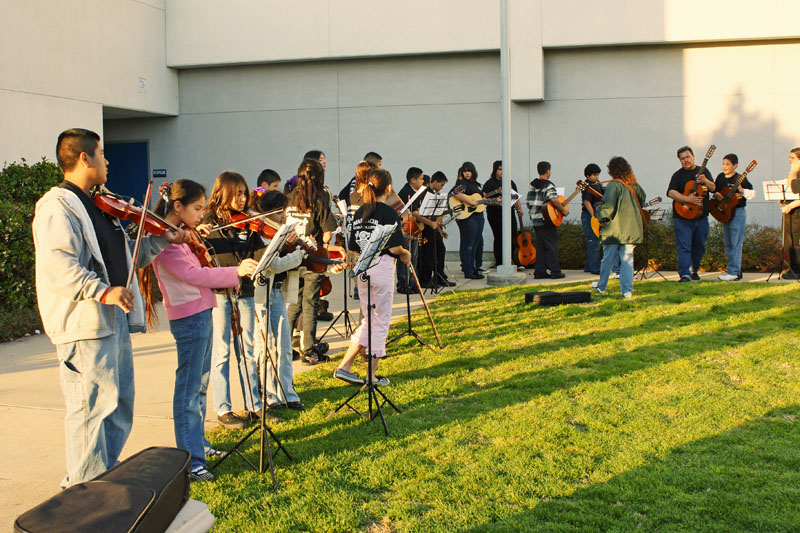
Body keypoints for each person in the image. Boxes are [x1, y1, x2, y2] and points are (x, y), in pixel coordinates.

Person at [33, 128, 189, 487]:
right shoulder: (57, 207)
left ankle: (103, 477)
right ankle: (87, 493)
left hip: (111, 320)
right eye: (102, 153)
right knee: (92, 411)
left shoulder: (98, 204)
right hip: (86, 324)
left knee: (117, 406)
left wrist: (160, 240)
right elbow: (60, 266)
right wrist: (103, 292)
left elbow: (126, 259)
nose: (108, 160)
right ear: (84, 158)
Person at [143, 179, 257, 481]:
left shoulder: (182, 237)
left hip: (201, 313)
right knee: (189, 390)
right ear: (177, 207)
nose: (200, 215)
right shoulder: (166, 241)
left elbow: (196, 262)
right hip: (189, 319)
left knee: (200, 385)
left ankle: (200, 447)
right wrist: (236, 271)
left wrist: (193, 237)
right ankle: (191, 460)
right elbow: (194, 274)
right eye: (197, 209)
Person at [334, 168, 412, 386]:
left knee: (369, 320)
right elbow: (396, 247)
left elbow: (354, 245)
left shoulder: (359, 213)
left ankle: (345, 366)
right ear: (388, 188)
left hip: (363, 269)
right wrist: (407, 254)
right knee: (380, 322)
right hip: (382, 267)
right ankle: (371, 376)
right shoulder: (388, 212)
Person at [202, 171, 267, 429]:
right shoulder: (208, 222)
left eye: (244, 193)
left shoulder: (248, 222)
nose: (242, 199)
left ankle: (254, 404)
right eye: (237, 193)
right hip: (220, 293)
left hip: (245, 291)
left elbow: (259, 253)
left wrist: (274, 242)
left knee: (248, 350)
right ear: (224, 192)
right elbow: (206, 255)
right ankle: (223, 409)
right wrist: (200, 233)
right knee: (222, 351)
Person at [249, 189, 308, 410]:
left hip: (276, 294)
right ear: (266, 213)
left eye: (284, 213)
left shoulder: (279, 233)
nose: (283, 218)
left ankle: (287, 391)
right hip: (261, 294)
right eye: (279, 214)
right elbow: (274, 264)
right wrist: (300, 255)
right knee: (264, 346)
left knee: (283, 343)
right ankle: (269, 393)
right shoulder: (258, 235)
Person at [285, 158, 338, 363]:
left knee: (294, 303)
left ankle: (286, 345)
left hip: (291, 255)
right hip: (312, 257)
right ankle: (308, 348)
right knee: (310, 303)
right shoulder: (318, 199)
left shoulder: (291, 197)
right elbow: (326, 235)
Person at [591, 157, 646, 298]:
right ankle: (627, 291)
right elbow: (643, 199)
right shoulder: (635, 185)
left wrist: (598, 209)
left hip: (614, 231)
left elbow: (607, 209)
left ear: (612, 170)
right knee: (628, 260)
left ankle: (602, 287)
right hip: (630, 229)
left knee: (607, 259)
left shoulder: (614, 185)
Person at [667, 146, 715, 282]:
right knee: (684, 246)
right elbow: (671, 192)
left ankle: (695, 270)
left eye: (687, 157)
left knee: (699, 245)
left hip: (701, 217)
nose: (685, 160)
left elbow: (713, 188)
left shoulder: (703, 171)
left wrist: (705, 180)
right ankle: (685, 274)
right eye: (682, 159)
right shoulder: (678, 175)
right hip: (682, 217)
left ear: (693, 156)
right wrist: (687, 199)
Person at [714, 154, 754, 281]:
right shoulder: (720, 177)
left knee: (736, 243)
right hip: (725, 213)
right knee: (728, 244)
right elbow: (716, 192)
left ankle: (734, 272)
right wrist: (717, 196)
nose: (724, 166)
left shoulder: (740, 178)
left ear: (735, 165)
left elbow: (752, 193)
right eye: (723, 164)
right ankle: (735, 270)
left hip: (737, 213)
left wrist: (742, 191)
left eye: (728, 164)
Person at [526, 161, 568, 279]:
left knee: (541, 246)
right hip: (546, 220)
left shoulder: (533, 185)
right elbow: (554, 199)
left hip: (535, 219)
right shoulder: (549, 185)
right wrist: (563, 210)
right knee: (551, 245)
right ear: (548, 171)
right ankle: (555, 271)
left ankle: (540, 271)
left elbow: (528, 201)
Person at [417, 171, 456, 288]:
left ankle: (439, 276)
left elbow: (435, 215)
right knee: (428, 254)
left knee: (440, 250)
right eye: (441, 185)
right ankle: (425, 279)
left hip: (434, 226)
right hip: (426, 227)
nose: (441, 187)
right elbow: (422, 212)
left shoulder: (434, 194)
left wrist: (440, 230)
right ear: (434, 182)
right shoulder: (425, 193)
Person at [483, 160, 523, 267]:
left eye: (504, 169)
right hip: (495, 214)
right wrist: (496, 200)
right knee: (499, 237)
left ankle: (514, 260)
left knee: (513, 236)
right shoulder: (489, 183)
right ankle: (500, 261)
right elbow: (484, 199)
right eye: (500, 169)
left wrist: (520, 209)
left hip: (509, 213)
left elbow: (516, 196)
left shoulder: (510, 182)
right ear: (495, 170)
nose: (502, 172)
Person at [450, 161, 486, 279]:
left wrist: (496, 200)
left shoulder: (477, 184)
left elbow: (480, 200)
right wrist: (470, 201)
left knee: (476, 242)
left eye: (469, 171)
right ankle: (468, 270)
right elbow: (455, 192)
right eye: (465, 171)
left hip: (478, 215)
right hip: (468, 217)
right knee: (468, 243)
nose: (467, 173)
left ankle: (474, 268)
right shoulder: (463, 184)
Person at [395, 166, 425, 293]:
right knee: (405, 258)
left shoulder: (417, 192)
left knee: (414, 257)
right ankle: (403, 284)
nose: (423, 181)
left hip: (413, 228)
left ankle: (413, 283)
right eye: (421, 179)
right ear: (413, 180)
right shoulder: (406, 192)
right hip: (406, 229)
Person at [780, 147, 800, 279]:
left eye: (792, 158)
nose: (790, 160)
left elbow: (793, 186)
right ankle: (793, 268)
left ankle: (797, 270)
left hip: (797, 212)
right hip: (791, 212)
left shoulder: (796, 173)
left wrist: (793, 170)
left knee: (796, 242)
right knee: (790, 242)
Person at [580, 163, 604, 274]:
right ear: (587, 176)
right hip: (589, 216)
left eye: (598, 175)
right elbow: (586, 201)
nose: (597, 177)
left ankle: (589, 266)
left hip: (595, 215)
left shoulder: (597, 185)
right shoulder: (586, 186)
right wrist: (594, 215)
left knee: (594, 241)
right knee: (593, 241)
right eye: (594, 175)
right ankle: (594, 267)